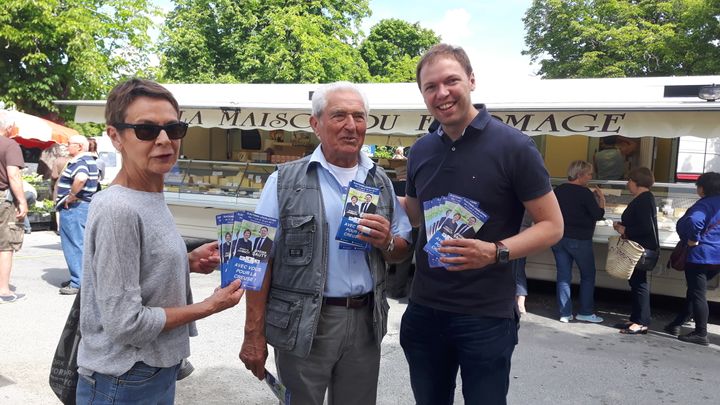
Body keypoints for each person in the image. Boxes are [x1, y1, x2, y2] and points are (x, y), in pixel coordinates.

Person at [398, 44, 563, 404]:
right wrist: (359, 193)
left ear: (471, 81)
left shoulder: (515, 146)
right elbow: (414, 212)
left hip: (486, 316)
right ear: (423, 94)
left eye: (451, 81)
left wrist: (495, 252)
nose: (441, 93)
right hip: (425, 309)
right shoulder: (421, 150)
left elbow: (552, 225)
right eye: (430, 86)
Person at [239, 81, 412, 405]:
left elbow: (402, 250)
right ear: (316, 124)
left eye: (359, 117)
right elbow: (256, 259)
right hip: (303, 323)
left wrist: (387, 241)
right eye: (339, 116)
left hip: (365, 321)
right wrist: (253, 333)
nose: (351, 125)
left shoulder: (380, 179)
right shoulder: (283, 181)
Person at [76, 78, 244, 403]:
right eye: (146, 130)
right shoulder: (118, 208)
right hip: (124, 380)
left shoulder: (150, 192)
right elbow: (126, 323)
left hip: (153, 370)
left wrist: (188, 260)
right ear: (115, 136)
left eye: (174, 128)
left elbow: (140, 270)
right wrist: (210, 306)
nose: (165, 140)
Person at [664, 172, 720, 345]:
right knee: (695, 291)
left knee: (697, 293)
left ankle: (701, 333)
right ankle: (677, 323)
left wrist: (694, 238)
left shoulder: (704, 205)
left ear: (702, 188)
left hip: (701, 255)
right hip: (716, 255)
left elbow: (695, 221)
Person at [552, 160, 606, 323]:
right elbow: (598, 215)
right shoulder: (585, 193)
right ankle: (585, 312)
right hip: (580, 240)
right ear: (580, 175)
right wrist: (602, 199)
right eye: (589, 174)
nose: (590, 177)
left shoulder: (558, 190)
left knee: (563, 276)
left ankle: (564, 313)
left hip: (559, 238)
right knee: (588, 275)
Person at [612, 167, 658, 335]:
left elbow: (645, 228)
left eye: (629, 180)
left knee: (639, 284)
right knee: (636, 282)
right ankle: (636, 317)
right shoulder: (645, 198)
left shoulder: (643, 200)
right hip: (638, 247)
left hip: (640, 249)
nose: (627, 184)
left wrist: (624, 229)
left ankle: (641, 322)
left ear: (636, 182)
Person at [56, 135, 99, 295]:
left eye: (69, 144)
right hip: (82, 207)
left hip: (75, 208)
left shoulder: (80, 162)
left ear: (79, 146)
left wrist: (71, 195)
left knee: (73, 245)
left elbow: (81, 178)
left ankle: (77, 282)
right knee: (81, 244)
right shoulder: (89, 160)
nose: (67, 147)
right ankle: (81, 278)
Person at [0, 112, 28, 304]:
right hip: (3, 200)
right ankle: (3, 291)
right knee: (5, 245)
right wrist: (22, 200)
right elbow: (13, 175)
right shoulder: (9, 145)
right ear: (8, 127)